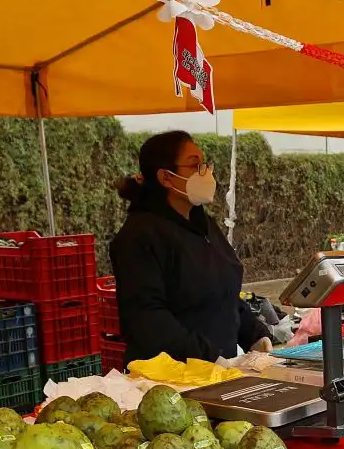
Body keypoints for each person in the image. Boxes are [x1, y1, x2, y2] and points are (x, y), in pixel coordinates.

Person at [111, 131, 271, 363]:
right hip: (171, 378)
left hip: (215, 373)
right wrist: (205, 357)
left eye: (205, 165)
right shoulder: (139, 236)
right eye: (194, 166)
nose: (205, 173)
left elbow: (222, 293)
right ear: (166, 177)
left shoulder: (204, 224)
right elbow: (147, 318)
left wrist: (254, 333)